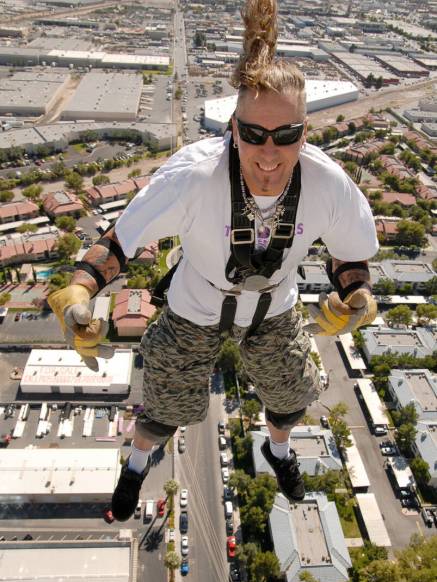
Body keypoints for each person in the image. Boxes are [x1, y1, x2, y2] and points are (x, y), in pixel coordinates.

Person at [48, 0, 378, 521]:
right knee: (165, 405)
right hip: (195, 302)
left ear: (305, 132)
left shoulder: (328, 186)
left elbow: (350, 254)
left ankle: (280, 451)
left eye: (287, 135)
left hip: (272, 306)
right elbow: (119, 242)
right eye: (253, 134)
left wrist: (357, 295)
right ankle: (135, 465)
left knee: (290, 393)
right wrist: (80, 291)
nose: (269, 154)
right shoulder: (193, 178)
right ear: (232, 129)